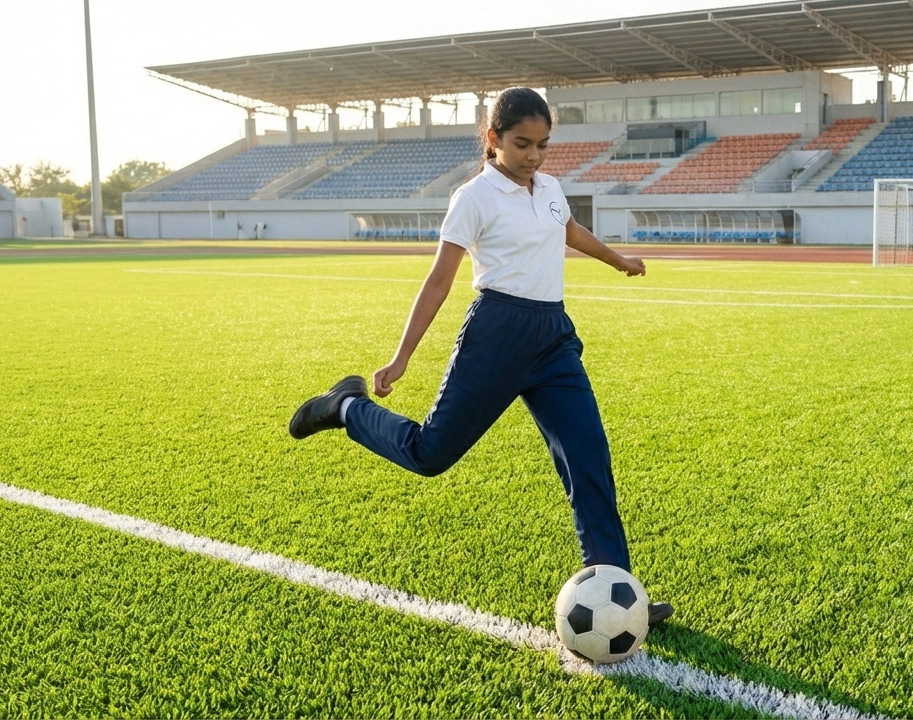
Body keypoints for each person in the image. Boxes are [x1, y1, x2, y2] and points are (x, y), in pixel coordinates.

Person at [288, 86, 672, 626]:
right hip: (496, 333)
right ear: (493, 139)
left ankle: (616, 591)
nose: (534, 156)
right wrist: (401, 359)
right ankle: (345, 408)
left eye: (542, 145)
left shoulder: (551, 187)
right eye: (521, 144)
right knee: (430, 454)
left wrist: (619, 260)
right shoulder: (473, 197)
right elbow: (440, 279)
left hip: (553, 338)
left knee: (589, 458)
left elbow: (570, 232)